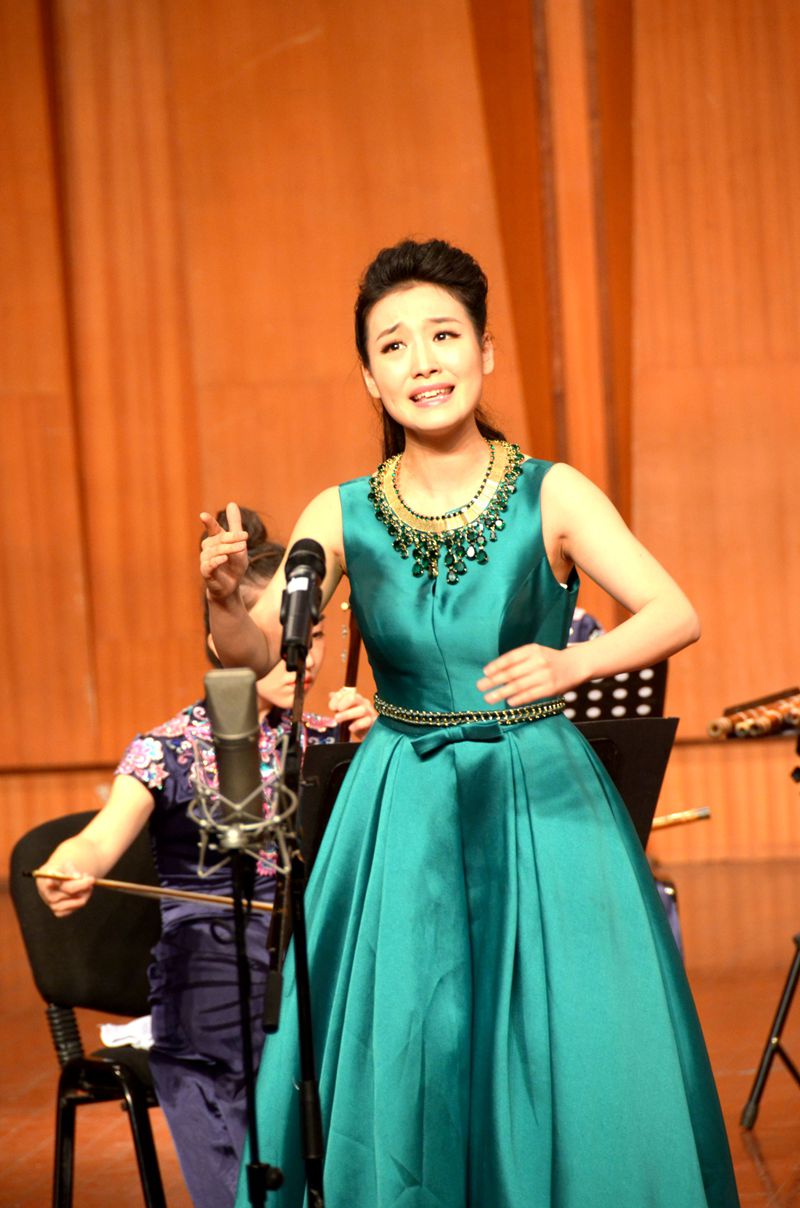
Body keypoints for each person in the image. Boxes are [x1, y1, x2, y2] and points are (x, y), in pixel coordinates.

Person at [201, 240, 740, 1207]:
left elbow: (674, 612)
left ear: (486, 352)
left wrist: (575, 662)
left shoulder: (552, 491)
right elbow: (267, 653)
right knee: (411, 1032)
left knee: (563, 1032)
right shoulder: (341, 510)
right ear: (369, 378)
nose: (423, 362)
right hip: (399, 798)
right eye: (394, 346)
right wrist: (221, 604)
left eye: (445, 336)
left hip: (538, 790)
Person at [36, 507, 376, 1208]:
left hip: (314, 975)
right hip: (212, 988)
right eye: (270, 633)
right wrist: (73, 865)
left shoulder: (335, 741)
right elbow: (99, 838)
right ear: (223, 639)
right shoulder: (165, 748)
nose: (303, 656)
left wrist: (380, 752)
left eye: (312, 635)